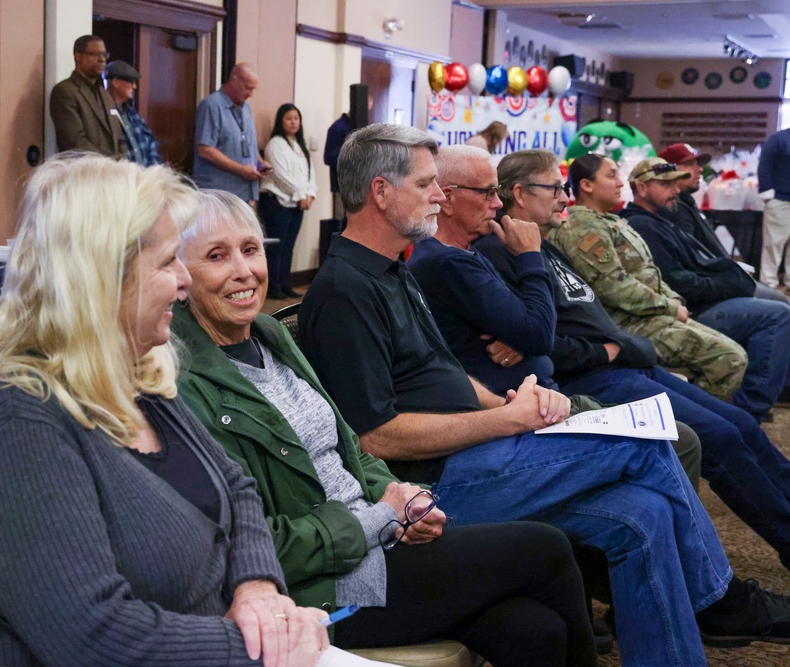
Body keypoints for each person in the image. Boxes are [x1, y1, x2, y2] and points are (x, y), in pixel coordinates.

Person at [298, 123, 790, 667]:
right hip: (432, 488)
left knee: (645, 513)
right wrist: (509, 421)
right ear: (381, 193)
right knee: (646, 444)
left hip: (477, 455)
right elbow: (376, 434)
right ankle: (719, 600)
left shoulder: (396, 269)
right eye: (426, 184)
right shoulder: (346, 289)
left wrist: (510, 407)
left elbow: (445, 376)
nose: (439, 195)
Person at [0, 155, 350, 667]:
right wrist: (264, 648)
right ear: (105, 275)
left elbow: (236, 486)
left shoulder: (133, 372)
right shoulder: (11, 420)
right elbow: (92, 637)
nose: (185, 281)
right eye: (169, 262)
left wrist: (257, 587)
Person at [172, 189, 598, 666]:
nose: (244, 271)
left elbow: (348, 447)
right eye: (216, 256)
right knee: (544, 546)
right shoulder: (183, 385)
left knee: (534, 630)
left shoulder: (269, 334)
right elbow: (252, 543)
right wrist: (380, 517)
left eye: (250, 250)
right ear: (177, 275)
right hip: (321, 585)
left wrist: (401, 496)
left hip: (375, 538)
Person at [423, 146, 790, 572]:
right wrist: (596, 342)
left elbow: (577, 316)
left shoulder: (541, 246)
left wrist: (618, 345)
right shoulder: (499, 251)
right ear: (521, 194)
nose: (564, 197)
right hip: (590, 376)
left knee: (741, 423)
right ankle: (724, 574)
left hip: (621, 360)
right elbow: (544, 334)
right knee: (716, 436)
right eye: (555, 188)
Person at [406, 145, 700, 487]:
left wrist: (524, 335)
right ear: (449, 198)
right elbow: (540, 333)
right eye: (487, 192)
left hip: (552, 397)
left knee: (684, 437)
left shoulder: (468, 252)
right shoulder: (449, 261)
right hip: (524, 413)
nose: (497, 203)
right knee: (680, 442)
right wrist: (530, 256)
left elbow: (531, 328)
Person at [549, 153, 749, 403]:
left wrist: (674, 301)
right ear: (586, 185)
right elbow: (613, 287)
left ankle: (709, 420)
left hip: (650, 314)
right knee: (730, 359)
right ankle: (701, 427)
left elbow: (649, 272)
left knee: (733, 354)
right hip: (627, 324)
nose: (621, 183)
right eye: (611, 176)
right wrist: (669, 306)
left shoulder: (609, 221)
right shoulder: (582, 227)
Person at [619, 156, 790, 421]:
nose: (676, 190)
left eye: (676, 184)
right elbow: (679, 284)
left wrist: (730, 277)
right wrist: (729, 283)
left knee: (776, 305)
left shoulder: (660, 219)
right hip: (690, 310)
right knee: (777, 314)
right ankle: (748, 409)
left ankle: (754, 399)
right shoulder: (642, 226)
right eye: (666, 185)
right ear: (641, 189)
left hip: (699, 301)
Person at [658, 143, 789, 304]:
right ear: (667, 173)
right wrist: (730, 276)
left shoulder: (686, 202)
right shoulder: (674, 209)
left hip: (721, 278)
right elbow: (694, 262)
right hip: (711, 288)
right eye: (688, 164)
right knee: (779, 303)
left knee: (779, 300)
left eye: (698, 163)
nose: (699, 169)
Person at [260, 104, 317, 299]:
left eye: (296, 118)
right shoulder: (275, 144)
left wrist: (310, 194)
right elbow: (281, 175)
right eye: (288, 118)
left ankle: (285, 285)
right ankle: (273, 287)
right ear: (280, 121)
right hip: (277, 202)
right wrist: (301, 194)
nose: (293, 122)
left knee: (289, 246)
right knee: (277, 246)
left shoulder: (300, 145)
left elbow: (310, 173)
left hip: (297, 204)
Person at [193, 63, 270, 204]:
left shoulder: (246, 108)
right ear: (234, 80)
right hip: (218, 195)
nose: (251, 94)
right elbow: (205, 150)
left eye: (253, 89)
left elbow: (248, 142)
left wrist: (260, 163)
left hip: (244, 193)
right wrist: (241, 170)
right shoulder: (211, 105)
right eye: (248, 88)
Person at [49, 35, 123, 156]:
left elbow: (119, 138)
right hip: (83, 170)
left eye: (104, 55)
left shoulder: (105, 93)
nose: (102, 59)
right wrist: (107, 164)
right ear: (78, 56)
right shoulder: (65, 91)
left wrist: (120, 163)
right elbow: (75, 141)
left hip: (112, 172)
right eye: (95, 54)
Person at [104, 60, 162, 167]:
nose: (134, 87)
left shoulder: (132, 114)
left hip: (143, 178)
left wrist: (153, 169)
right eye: (131, 82)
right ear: (115, 82)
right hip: (121, 178)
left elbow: (151, 142)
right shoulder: (102, 113)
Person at [758, 128, 790, 290]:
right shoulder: (778, 139)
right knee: (774, 243)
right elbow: (765, 164)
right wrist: (767, 193)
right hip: (780, 199)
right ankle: (768, 284)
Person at [324, 112, 353, 221]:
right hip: (342, 186)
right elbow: (329, 157)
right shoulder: (337, 128)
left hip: (360, 186)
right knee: (341, 223)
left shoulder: (360, 126)